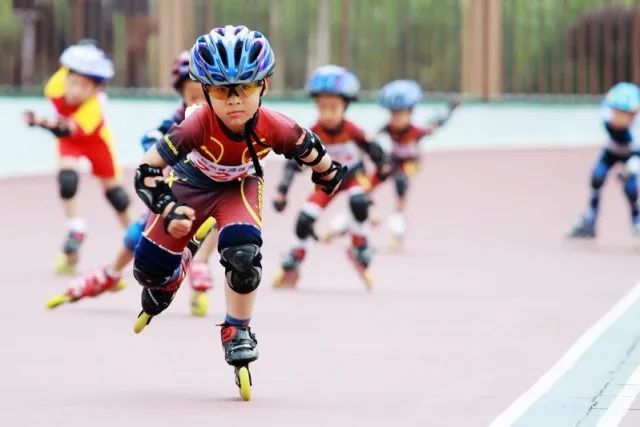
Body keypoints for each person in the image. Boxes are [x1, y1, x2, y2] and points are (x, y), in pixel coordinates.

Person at [130, 26, 346, 400]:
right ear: (205, 91)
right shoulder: (196, 123)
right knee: (147, 271)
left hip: (239, 187)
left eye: (244, 88)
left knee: (243, 255)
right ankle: (171, 275)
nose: (234, 101)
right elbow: (146, 172)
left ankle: (238, 328)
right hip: (189, 186)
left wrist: (328, 176)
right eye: (220, 91)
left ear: (265, 86)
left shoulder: (275, 125)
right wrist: (167, 206)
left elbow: (311, 150)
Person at [45, 51, 217, 317]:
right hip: (178, 190)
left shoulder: (226, 121)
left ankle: (200, 266)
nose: (199, 103)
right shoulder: (179, 119)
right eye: (192, 97)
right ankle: (111, 274)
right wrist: (161, 150)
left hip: (210, 191)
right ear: (182, 94)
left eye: (205, 96)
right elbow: (153, 138)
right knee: (138, 234)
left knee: (219, 218)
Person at [272, 65, 388, 289]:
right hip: (325, 182)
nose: (327, 115)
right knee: (305, 218)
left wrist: (382, 164)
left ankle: (359, 244)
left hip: (353, 177)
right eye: (322, 108)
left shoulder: (352, 130)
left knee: (358, 200)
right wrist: (282, 191)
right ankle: (297, 253)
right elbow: (293, 164)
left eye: (333, 108)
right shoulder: (313, 133)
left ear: (345, 106)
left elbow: (373, 148)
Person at [24, 42, 132, 274]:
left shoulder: (94, 107)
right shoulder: (56, 85)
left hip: (95, 141)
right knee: (67, 181)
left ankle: (138, 238)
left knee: (117, 196)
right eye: (72, 83)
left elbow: (64, 129)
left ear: (95, 90)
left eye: (83, 87)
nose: (74, 91)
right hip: (70, 142)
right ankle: (76, 228)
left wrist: (39, 121)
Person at [569, 82, 640, 238]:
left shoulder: (637, 129)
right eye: (616, 111)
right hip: (611, 150)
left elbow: (636, 155)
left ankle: (636, 219)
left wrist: (629, 170)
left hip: (632, 154)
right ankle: (590, 218)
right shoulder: (606, 114)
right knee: (597, 176)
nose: (618, 117)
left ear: (633, 114)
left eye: (623, 113)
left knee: (631, 187)